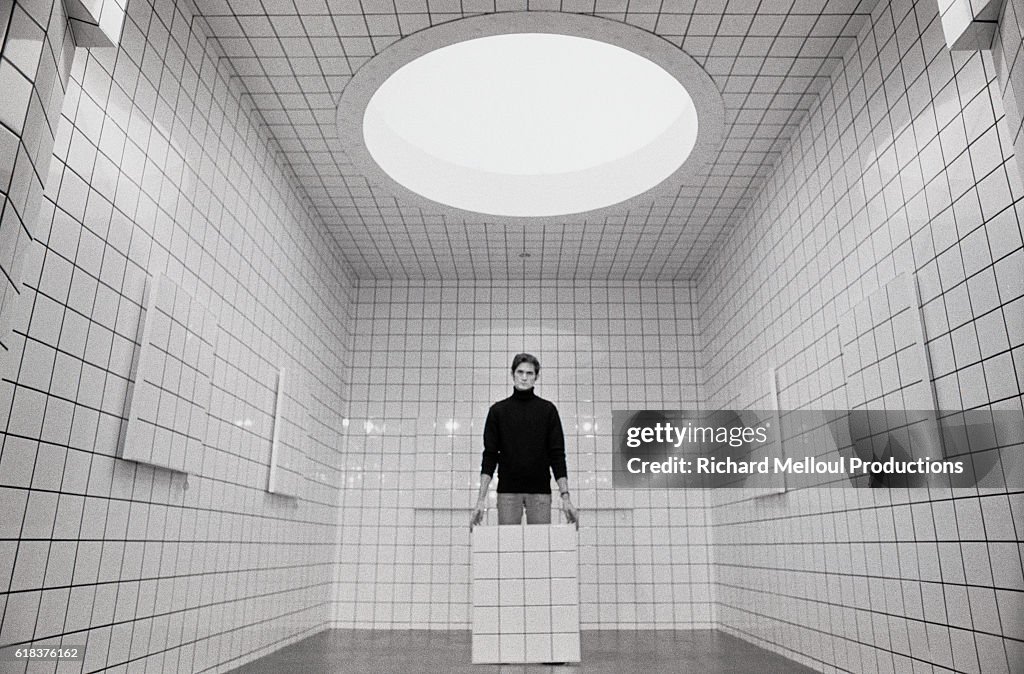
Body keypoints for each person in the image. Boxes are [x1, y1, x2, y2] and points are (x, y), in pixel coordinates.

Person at [471, 353, 579, 527]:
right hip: (508, 491)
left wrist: (566, 497)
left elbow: (557, 455)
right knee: (507, 547)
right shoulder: (498, 411)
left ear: (536, 377)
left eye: (529, 373)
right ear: (512, 374)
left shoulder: (547, 411)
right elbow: (490, 456)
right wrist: (480, 500)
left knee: (541, 547)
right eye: (520, 372)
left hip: (540, 491)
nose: (524, 377)